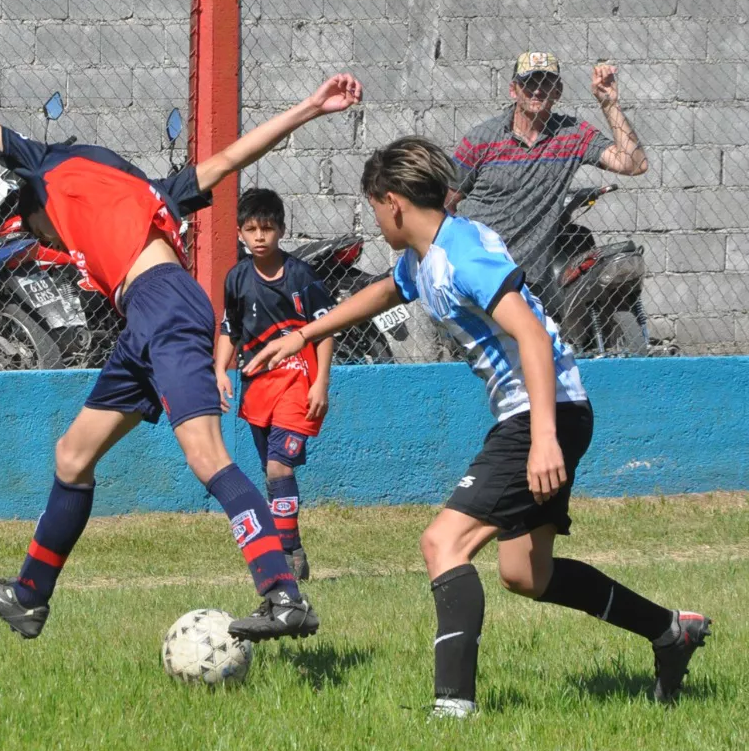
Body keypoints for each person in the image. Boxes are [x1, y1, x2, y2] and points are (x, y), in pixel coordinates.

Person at [0, 74, 362, 642]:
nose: (50, 242)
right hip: (146, 317)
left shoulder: (43, 169)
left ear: (30, 204)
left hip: (166, 307)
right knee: (73, 455)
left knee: (207, 455)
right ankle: (29, 596)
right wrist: (307, 107)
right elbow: (231, 157)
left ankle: (284, 594)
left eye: (37, 231)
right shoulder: (150, 190)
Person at [248, 137, 709, 716]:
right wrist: (304, 334)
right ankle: (669, 631)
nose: (374, 219)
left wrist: (543, 437)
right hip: (548, 413)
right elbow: (386, 290)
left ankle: (453, 711)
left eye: (372, 207)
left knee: (443, 542)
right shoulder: (424, 256)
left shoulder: (462, 252)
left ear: (392, 203)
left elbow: (534, 336)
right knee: (526, 573)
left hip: (544, 412)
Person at [449, 52, 648, 305]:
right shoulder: (482, 138)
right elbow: (447, 201)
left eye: (546, 83)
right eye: (529, 83)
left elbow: (634, 163)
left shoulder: (573, 135)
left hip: (528, 278)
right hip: (477, 267)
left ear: (558, 91)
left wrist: (609, 104)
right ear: (514, 90)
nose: (537, 91)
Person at [214, 188, 336, 581]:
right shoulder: (236, 278)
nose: (259, 236)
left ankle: (287, 554)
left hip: (299, 379)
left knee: (278, 465)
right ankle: (294, 547)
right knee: (273, 473)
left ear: (281, 229)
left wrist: (321, 384)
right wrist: (219, 371)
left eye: (267, 228)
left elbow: (326, 329)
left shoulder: (300, 275)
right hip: (257, 385)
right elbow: (229, 329)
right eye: (251, 229)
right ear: (240, 233)